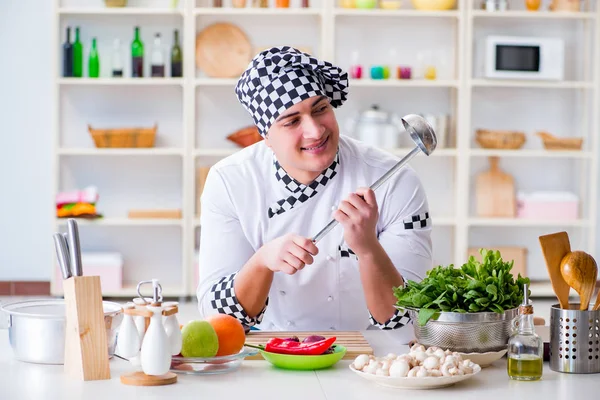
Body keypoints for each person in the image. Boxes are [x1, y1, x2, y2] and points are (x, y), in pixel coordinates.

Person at [196, 46, 432, 340]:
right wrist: (262, 261)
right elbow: (218, 317)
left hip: (372, 353)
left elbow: (411, 318)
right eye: (292, 121)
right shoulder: (230, 181)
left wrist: (368, 247)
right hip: (275, 351)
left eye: (320, 109)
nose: (315, 131)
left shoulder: (395, 181)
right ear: (266, 137)